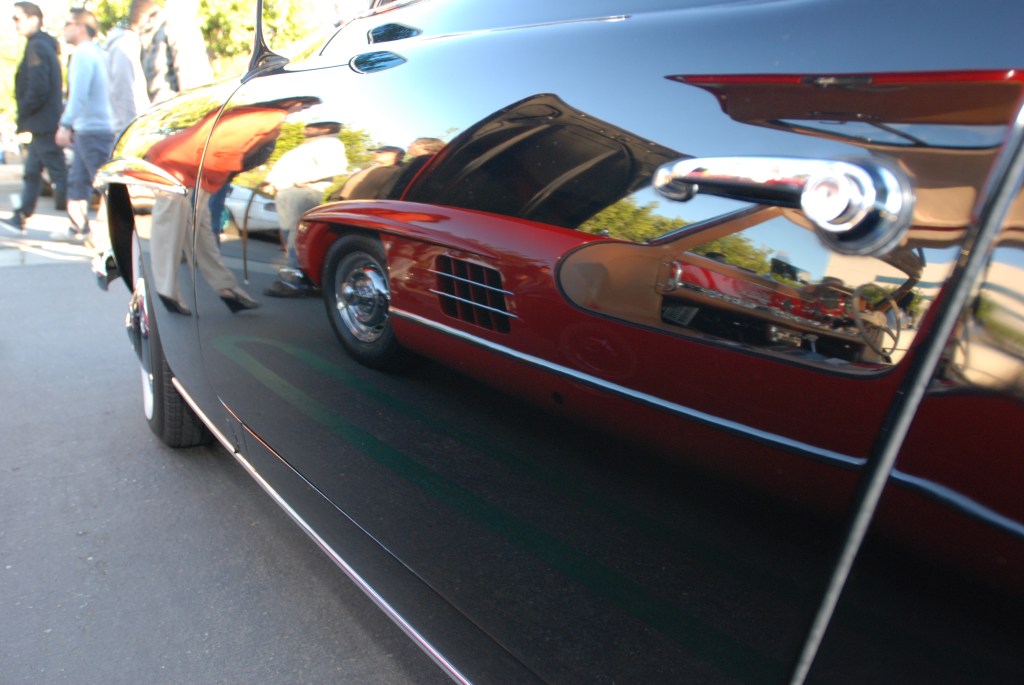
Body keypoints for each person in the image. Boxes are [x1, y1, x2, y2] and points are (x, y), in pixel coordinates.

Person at [262, 122, 350, 297]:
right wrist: (272, 182)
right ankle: (296, 278)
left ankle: (294, 281)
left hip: (301, 192)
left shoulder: (330, 143)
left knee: (295, 236)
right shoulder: (312, 144)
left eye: (312, 126)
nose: (306, 128)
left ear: (326, 129)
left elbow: (337, 166)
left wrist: (303, 179)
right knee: (290, 235)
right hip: (289, 190)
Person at [2, 2, 67, 232]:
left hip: (43, 122)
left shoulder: (38, 46)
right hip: (43, 122)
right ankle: (21, 215)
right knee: (33, 172)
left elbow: (38, 87)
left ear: (33, 19)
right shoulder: (41, 44)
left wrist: (24, 112)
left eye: (17, 18)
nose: (14, 23)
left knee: (58, 173)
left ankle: (81, 222)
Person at [53, 8, 116, 243]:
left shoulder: (82, 53)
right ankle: (77, 227)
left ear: (81, 27)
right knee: (78, 180)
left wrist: (65, 124)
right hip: (94, 127)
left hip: (93, 128)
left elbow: (78, 94)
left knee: (103, 183)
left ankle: (106, 234)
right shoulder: (100, 52)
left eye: (68, 23)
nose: (64, 29)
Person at [133, 0, 213, 104]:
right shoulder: (181, 24)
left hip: (161, 106)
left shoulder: (155, 29)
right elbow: (193, 80)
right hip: (183, 105)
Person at [104, 9, 151, 135]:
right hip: (132, 129)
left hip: (130, 125)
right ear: (144, 19)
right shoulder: (125, 44)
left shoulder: (126, 43)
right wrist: (133, 129)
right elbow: (124, 90)